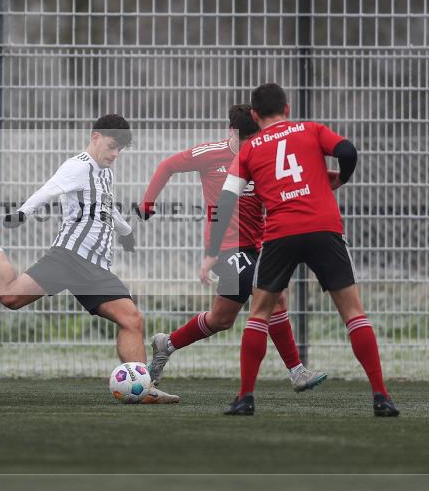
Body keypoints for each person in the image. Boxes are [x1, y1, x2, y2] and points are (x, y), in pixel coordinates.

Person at [0, 114, 179, 404]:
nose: (115, 154)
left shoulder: (105, 172)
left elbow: (105, 206)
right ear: (95, 138)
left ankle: (143, 388)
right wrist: (23, 213)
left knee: (132, 319)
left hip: (94, 266)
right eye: (111, 146)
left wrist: (126, 231)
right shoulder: (77, 166)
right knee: (10, 296)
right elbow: (49, 189)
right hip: (69, 257)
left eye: (119, 149)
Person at [204, 83, 398, 416]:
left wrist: (210, 253)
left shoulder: (249, 149)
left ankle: (245, 398)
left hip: (281, 233)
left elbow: (227, 199)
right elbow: (348, 152)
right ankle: (381, 397)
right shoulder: (312, 130)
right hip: (324, 227)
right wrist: (339, 180)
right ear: (288, 108)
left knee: (260, 314)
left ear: (254, 115)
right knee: (353, 314)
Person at [138, 104, 327, 392]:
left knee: (221, 319)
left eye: (254, 140)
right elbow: (168, 166)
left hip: (257, 245)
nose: (249, 147)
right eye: (244, 141)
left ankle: (168, 344)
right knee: (273, 295)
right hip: (225, 247)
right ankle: (296, 372)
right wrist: (148, 202)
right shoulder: (210, 154)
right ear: (231, 132)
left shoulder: (264, 155)